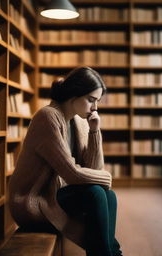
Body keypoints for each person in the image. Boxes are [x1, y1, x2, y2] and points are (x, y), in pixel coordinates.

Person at [8, 66, 123, 256]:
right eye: (91, 100)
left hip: (57, 194)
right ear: (74, 94)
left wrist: (94, 131)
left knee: (108, 195)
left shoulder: (77, 121)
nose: (95, 108)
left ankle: (109, 253)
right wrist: (106, 177)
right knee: (95, 192)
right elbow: (72, 174)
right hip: (35, 200)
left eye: (97, 102)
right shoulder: (47, 117)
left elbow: (93, 169)